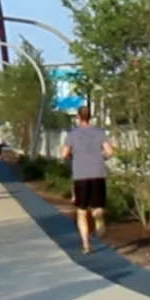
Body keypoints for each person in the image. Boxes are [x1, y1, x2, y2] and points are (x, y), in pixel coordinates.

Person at [60, 107, 113, 254]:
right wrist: (101, 157)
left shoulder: (72, 135)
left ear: (78, 117)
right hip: (98, 173)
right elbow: (110, 151)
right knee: (98, 205)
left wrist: (70, 156)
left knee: (81, 211)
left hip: (80, 175)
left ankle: (86, 245)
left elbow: (64, 154)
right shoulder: (100, 132)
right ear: (90, 116)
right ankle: (98, 216)